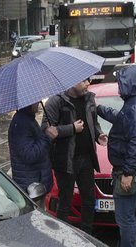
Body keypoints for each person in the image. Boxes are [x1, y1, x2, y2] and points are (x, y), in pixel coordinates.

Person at [95, 64, 136, 247]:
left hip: (131, 171)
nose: (118, 87)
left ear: (129, 83)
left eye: (121, 82)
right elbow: (121, 119)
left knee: (125, 217)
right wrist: (98, 109)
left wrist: (128, 173)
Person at [43, 78, 105, 232]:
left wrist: (98, 134)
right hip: (65, 161)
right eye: (84, 81)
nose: (87, 84)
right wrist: (71, 128)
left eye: (88, 81)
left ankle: (87, 236)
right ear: (71, 82)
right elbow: (46, 129)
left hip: (86, 158)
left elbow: (93, 122)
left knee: (89, 200)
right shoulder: (56, 101)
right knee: (65, 202)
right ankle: (62, 238)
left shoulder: (89, 99)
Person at [8, 101, 53, 195]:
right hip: (31, 186)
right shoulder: (22, 124)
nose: (38, 103)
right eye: (35, 101)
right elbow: (29, 155)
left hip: (35, 182)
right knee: (36, 210)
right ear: (28, 103)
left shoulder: (27, 119)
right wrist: (48, 137)